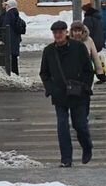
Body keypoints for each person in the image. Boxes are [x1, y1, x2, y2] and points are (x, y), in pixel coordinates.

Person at [40, 20, 94, 167]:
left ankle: (87, 146)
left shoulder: (78, 48)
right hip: (60, 95)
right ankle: (66, 159)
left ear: (66, 33)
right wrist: (50, 88)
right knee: (62, 126)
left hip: (78, 94)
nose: (58, 35)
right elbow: (44, 73)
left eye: (61, 32)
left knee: (80, 125)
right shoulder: (49, 51)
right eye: (55, 33)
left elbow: (88, 70)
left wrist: (85, 87)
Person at [70, 21, 106, 119]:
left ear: (83, 31)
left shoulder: (89, 40)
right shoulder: (68, 41)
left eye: (79, 31)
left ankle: (84, 114)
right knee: (74, 94)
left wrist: (100, 71)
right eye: (75, 31)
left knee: (86, 94)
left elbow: (95, 56)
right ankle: (77, 115)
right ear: (71, 32)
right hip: (72, 73)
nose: (77, 33)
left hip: (87, 72)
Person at [0, 0, 26, 74]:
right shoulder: (15, 12)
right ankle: (15, 73)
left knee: (9, 58)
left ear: (10, 6)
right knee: (14, 59)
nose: (6, 7)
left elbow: (5, 28)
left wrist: (3, 39)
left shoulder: (9, 14)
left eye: (7, 5)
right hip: (15, 39)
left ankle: (10, 74)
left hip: (10, 39)